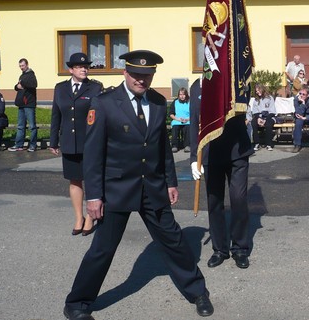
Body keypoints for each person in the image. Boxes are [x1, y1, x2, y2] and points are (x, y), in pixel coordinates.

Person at [63, 50, 213, 320]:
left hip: (152, 186)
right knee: (103, 249)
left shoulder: (157, 102)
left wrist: (170, 181)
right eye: (136, 75)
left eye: (147, 75)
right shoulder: (105, 102)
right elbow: (93, 154)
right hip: (116, 189)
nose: (141, 80)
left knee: (174, 240)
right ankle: (77, 303)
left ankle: (198, 291)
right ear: (125, 73)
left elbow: (162, 147)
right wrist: (94, 196)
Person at [189, 77, 253, 270]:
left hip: (237, 150)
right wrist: (194, 156)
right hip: (210, 152)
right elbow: (194, 121)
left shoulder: (237, 79)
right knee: (214, 202)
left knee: (238, 199)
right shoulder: (197, 86)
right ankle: (220, 249)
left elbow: (243, 107)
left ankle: (240, 247)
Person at [49, 53, 103, 237]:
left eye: (86, 66)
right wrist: (53, 141)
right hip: (69, 142)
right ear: (71, 70)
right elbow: (56, 115)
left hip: (90, 142)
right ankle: (78, 217)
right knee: (74, 180)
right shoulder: (60, 88)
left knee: (91, 180)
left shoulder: (95, 88)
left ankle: (90, 217)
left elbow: (99, 116)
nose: (84, 69)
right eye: (79, 67)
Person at [9, 58, 38, 152]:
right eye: (20, 66)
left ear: (27, 65)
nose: (21, 67)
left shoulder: (31, 74)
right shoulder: (22, 75)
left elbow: (34, 84)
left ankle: (33, 145)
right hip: (21, 104)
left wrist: (23, 84)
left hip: (29, 104)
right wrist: (17, 86)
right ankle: (19, 145)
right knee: (20, 126)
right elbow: (18, 86)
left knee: (32, 126)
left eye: (23, 65)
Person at [250, 83, 276, 151]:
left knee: (268, 124)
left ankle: (269, 144)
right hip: (259, 116)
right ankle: (257, 143)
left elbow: (272, 112)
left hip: (269, 116)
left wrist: (265, 119)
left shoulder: (270, 98)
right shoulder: (256, 100)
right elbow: (255, 111)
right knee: (253, 123)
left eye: (258, 90)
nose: (257, 92)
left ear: (262, 89)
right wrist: (258, 118)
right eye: (256, 91)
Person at [169, 87, 190, 153]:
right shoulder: (175, 102)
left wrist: (187, 119)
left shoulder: (190, 102)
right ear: (178, 95)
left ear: (186, 95)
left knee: (188, 128)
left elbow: (193, 114)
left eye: (183, 94)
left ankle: (187, 146)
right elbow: (171, 114)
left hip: (187, 120)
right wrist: (178, 119)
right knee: (175, 128)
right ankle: (174, 146)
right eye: (180, 94)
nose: (182, 96)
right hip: (177, 120)